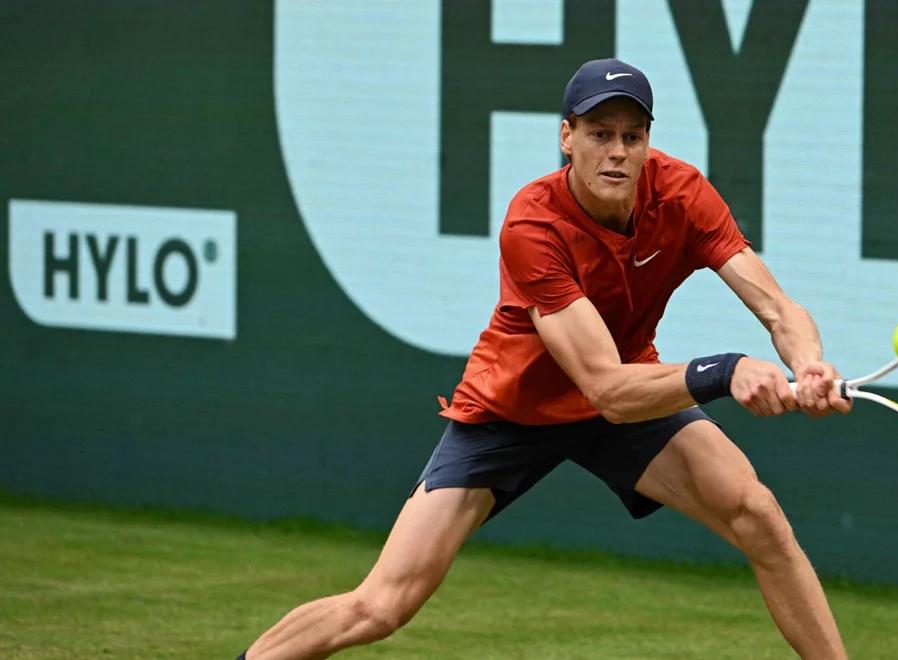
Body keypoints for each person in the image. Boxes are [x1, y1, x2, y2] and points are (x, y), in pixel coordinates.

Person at [241, 57, 851, 660]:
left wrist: (811, 363)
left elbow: (777, 307)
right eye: (599, 134)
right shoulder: (533, 222)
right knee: (382, 605)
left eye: (631, 137)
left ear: (647, 145)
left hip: (631, 398)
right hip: (514, 412)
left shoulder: (683, 193)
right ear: (567, 137)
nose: (616, 151)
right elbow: (605, 388)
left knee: (759, 517)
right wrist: (724, 372)